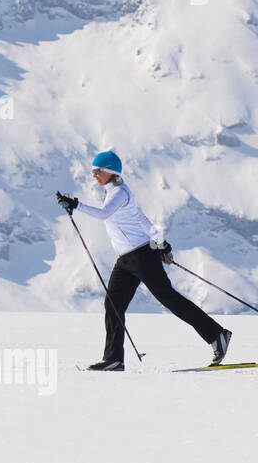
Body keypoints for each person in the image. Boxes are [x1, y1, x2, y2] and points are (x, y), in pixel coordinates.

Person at [57, 150, 231, 371]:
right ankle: (114, 359)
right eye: (93, 171)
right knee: (113, 304)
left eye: (97, 171)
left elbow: (104, 215)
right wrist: (161, 242)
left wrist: (76, 205)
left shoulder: (119, 193)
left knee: (169, 299)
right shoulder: (113, 193)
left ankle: (217, 335)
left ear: (110, 171)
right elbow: (140, 218)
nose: (94, 175)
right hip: (126, 260)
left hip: (141, 256)